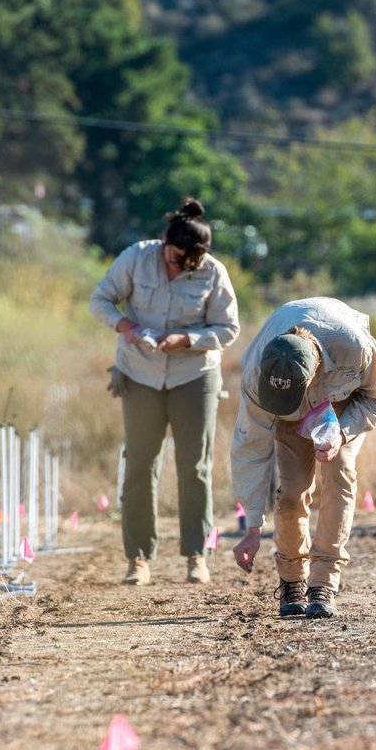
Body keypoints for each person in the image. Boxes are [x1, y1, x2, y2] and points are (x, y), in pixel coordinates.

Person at [90, 197, 239, 585]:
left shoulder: (213, 273)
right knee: (140, 466)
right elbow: (100, 299)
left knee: (196, 468)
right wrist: (127, 327)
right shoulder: (135, 258)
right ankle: (138, 558)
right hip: (139, 373)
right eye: (174, 258)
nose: (179, 267)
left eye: (189, 262)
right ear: (163, 243)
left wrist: (187, 339)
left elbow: (228, 329)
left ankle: (197, 555)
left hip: (195, 375)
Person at [231, 297, 376, 619]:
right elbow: (250, 450)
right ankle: (292, 579)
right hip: (289, 415)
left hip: (341, 405)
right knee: (291, 494)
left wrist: (342, 432)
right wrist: (252, 529)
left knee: (339, 476)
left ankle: (324, 583)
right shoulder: (256, 376)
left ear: (316, 370)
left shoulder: (356, 348)